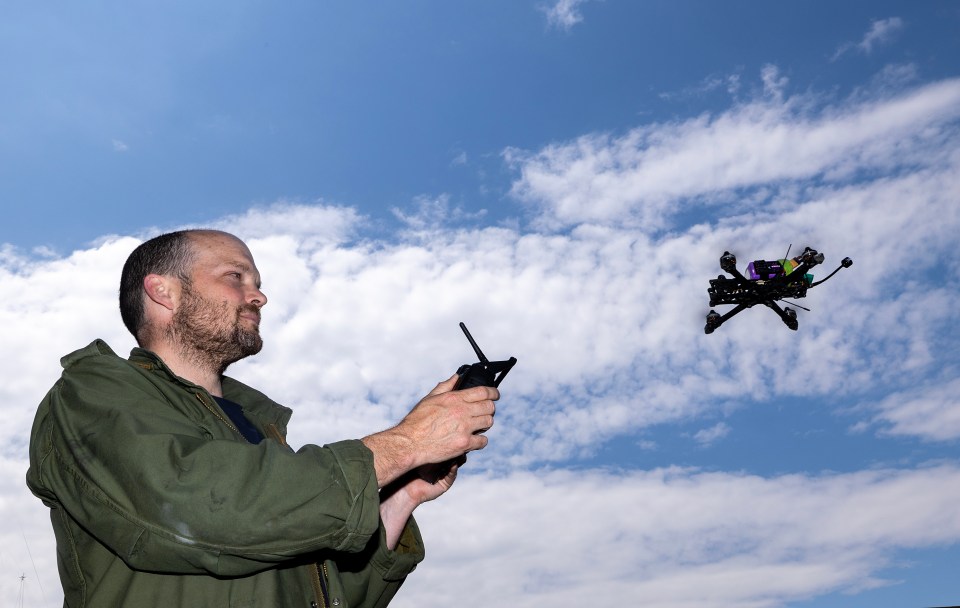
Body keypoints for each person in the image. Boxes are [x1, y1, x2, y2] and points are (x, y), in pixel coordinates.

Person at [26, 229, 499, 608]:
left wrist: (401, 495)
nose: (259, 296)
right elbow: (197, 509)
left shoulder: (259, 431)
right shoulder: (91, 393)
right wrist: (402, 444)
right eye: (236, 277)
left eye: (257, 282)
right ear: (163, 291)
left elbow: (320, 591)